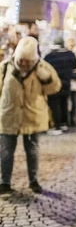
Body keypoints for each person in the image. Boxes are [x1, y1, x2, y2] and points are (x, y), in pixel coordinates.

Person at [0, 37, 61, 194]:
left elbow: (55, 88)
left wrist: (45, 78)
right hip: (9, 115)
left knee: (32, 150)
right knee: (6, 150)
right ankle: (4, 182)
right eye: (21, 60)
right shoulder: (5, 67)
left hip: (32, 115)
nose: (24, 64)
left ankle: (33, 181)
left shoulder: (42, 67)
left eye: (27, 61)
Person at [44, 37, 76, 135]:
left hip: (54, 84)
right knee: (64, 103)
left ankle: (57, 126)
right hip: (66, 83)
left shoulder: (50, 56)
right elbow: (75, 66)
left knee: (55, 105)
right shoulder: (70, 54)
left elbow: (45, 67)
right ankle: (64, 123)